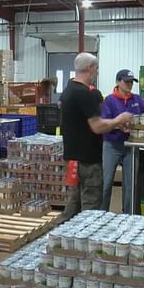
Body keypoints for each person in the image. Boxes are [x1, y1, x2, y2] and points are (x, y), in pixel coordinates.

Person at [60, 53, 134, 220]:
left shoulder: (68, 90)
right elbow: (97, 126)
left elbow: (86, 123)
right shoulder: (85, 93)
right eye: (97, 69)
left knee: (75, 203)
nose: (98, 73)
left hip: (72, 160)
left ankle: (63, 240)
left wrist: (114, 123)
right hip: (87, 161)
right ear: (91, 68)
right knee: (91, 208)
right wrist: (119, 119)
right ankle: (85, 242)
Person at [100, 69, 144, 213]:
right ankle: (102, 213)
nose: (129, 84)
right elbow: (104, 122)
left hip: (131, 146)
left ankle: (128, 215)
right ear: (117, 82)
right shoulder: (109, 100)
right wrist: (119, 125)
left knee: (130, 184)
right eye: (126, 81)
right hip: (112, 145)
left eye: (131, 82)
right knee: (106, 182)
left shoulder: (136, 99)